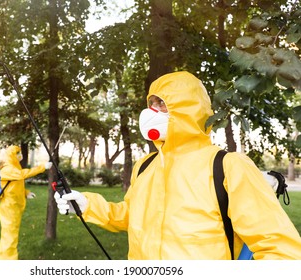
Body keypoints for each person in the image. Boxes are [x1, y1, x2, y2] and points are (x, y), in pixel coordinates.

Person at [54, 71, 301, 260]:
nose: (154, 110)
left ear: (189, 109)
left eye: (162, 103)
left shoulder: (227, 166)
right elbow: (131, 216)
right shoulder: (145, 165)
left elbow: (278, 246)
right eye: (152, 103)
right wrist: (87, 205)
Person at [0, 145, 52, 260]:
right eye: (17, 153)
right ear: (12, 155)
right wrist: (43, 167)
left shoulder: (13, 168)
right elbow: (23, 174)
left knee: (12, 234)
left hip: (15, 206)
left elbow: (15, 186)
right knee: (9, 235)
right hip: (9, 207)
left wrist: (26, 193)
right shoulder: (7, 169)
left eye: (19, 152)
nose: (19, 155)